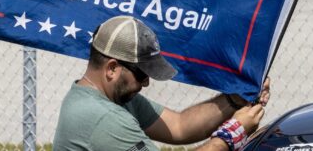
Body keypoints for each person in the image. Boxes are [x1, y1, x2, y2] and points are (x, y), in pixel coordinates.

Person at [53, 15, 270, 151]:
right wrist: (231, 134)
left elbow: (179, 126)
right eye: (141, 73)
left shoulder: (110, 99)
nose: (146, 83)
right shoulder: (103, 118)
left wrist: (233, 100)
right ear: (112, 68)